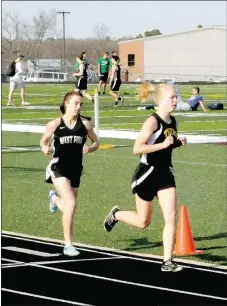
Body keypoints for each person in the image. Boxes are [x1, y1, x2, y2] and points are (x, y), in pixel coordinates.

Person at [104, 81, 187, 272]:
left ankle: (167, 261)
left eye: (176, 97)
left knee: (171, 216)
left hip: (165, 173)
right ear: (160, 100)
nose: (175, 100)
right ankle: (116, 215)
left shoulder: (173, 121)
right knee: (143, 222)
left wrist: (177, 142)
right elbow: (137, 148)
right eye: (172, 97)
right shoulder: (152, 121)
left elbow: (167, 143)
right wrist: (164, 145)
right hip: (147, 173)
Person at [40, 91, 99, 256]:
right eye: (75, 103)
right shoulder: (55, 124)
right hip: (58, 167)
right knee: (71, 203)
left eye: (80, 104)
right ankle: (68, 244)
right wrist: (45, 148)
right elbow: (43, 141)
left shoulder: (85, 125)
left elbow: (96, 142)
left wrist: (90, 148)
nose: (78, 106)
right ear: (66, 103)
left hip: (76, 169)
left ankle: (54, 198)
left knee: (68, 207)